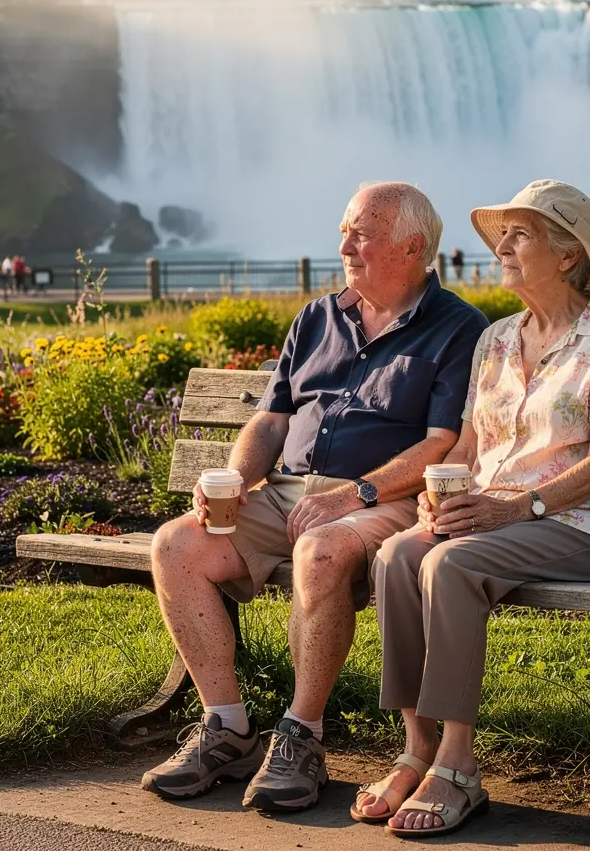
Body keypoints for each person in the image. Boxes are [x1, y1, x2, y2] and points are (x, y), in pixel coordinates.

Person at [142, 182, 488, 813]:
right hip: (286, 493)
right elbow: (272, 420)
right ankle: (227, 727)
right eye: (344, 232)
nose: (345, 247)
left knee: (320, 553)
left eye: (362, 235)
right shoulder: (316, 318)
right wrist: (236, 479)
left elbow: (442, 443)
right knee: (176, 545)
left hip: (385, 500)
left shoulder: (458, 328)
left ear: (413, 248)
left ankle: (301, 736)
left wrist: (355, 493)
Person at [356, 180, 590, 838]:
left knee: (450, 566)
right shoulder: (495, 340)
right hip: (496, 516)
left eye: (520, 235)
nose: (502, 248)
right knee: (399, 554)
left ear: (568, 255)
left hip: (587, 524)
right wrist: (439, 495)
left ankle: (458, 765)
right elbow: (468, 446)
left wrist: (519, 507)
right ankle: (417, 749)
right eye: (503, 235)